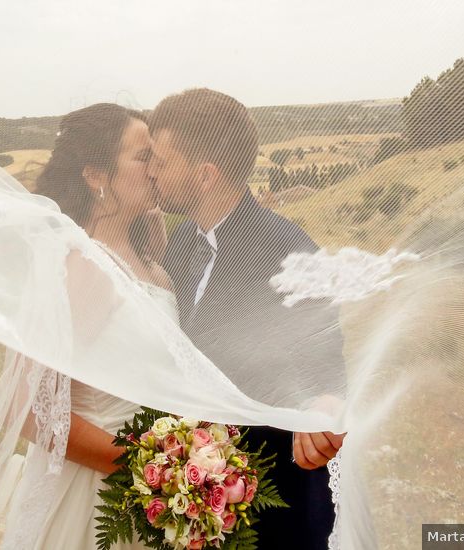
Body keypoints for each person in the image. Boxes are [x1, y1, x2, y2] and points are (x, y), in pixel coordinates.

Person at [149, 88, 348, 549]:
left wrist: (327, 406)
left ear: (205, 175)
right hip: (199, 505)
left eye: (161, 159)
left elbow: (327, 364)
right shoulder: (179, 246)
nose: (152, 171)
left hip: (275, 511)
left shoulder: (288, 251)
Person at [1, 103, 176, 549]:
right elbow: (30, 410)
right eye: (143, 157)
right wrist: (150, 469)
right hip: (98, 501)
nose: (157, 170)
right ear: (96, 176)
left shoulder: (153, 267)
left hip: (157, 496)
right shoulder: (85, 268)